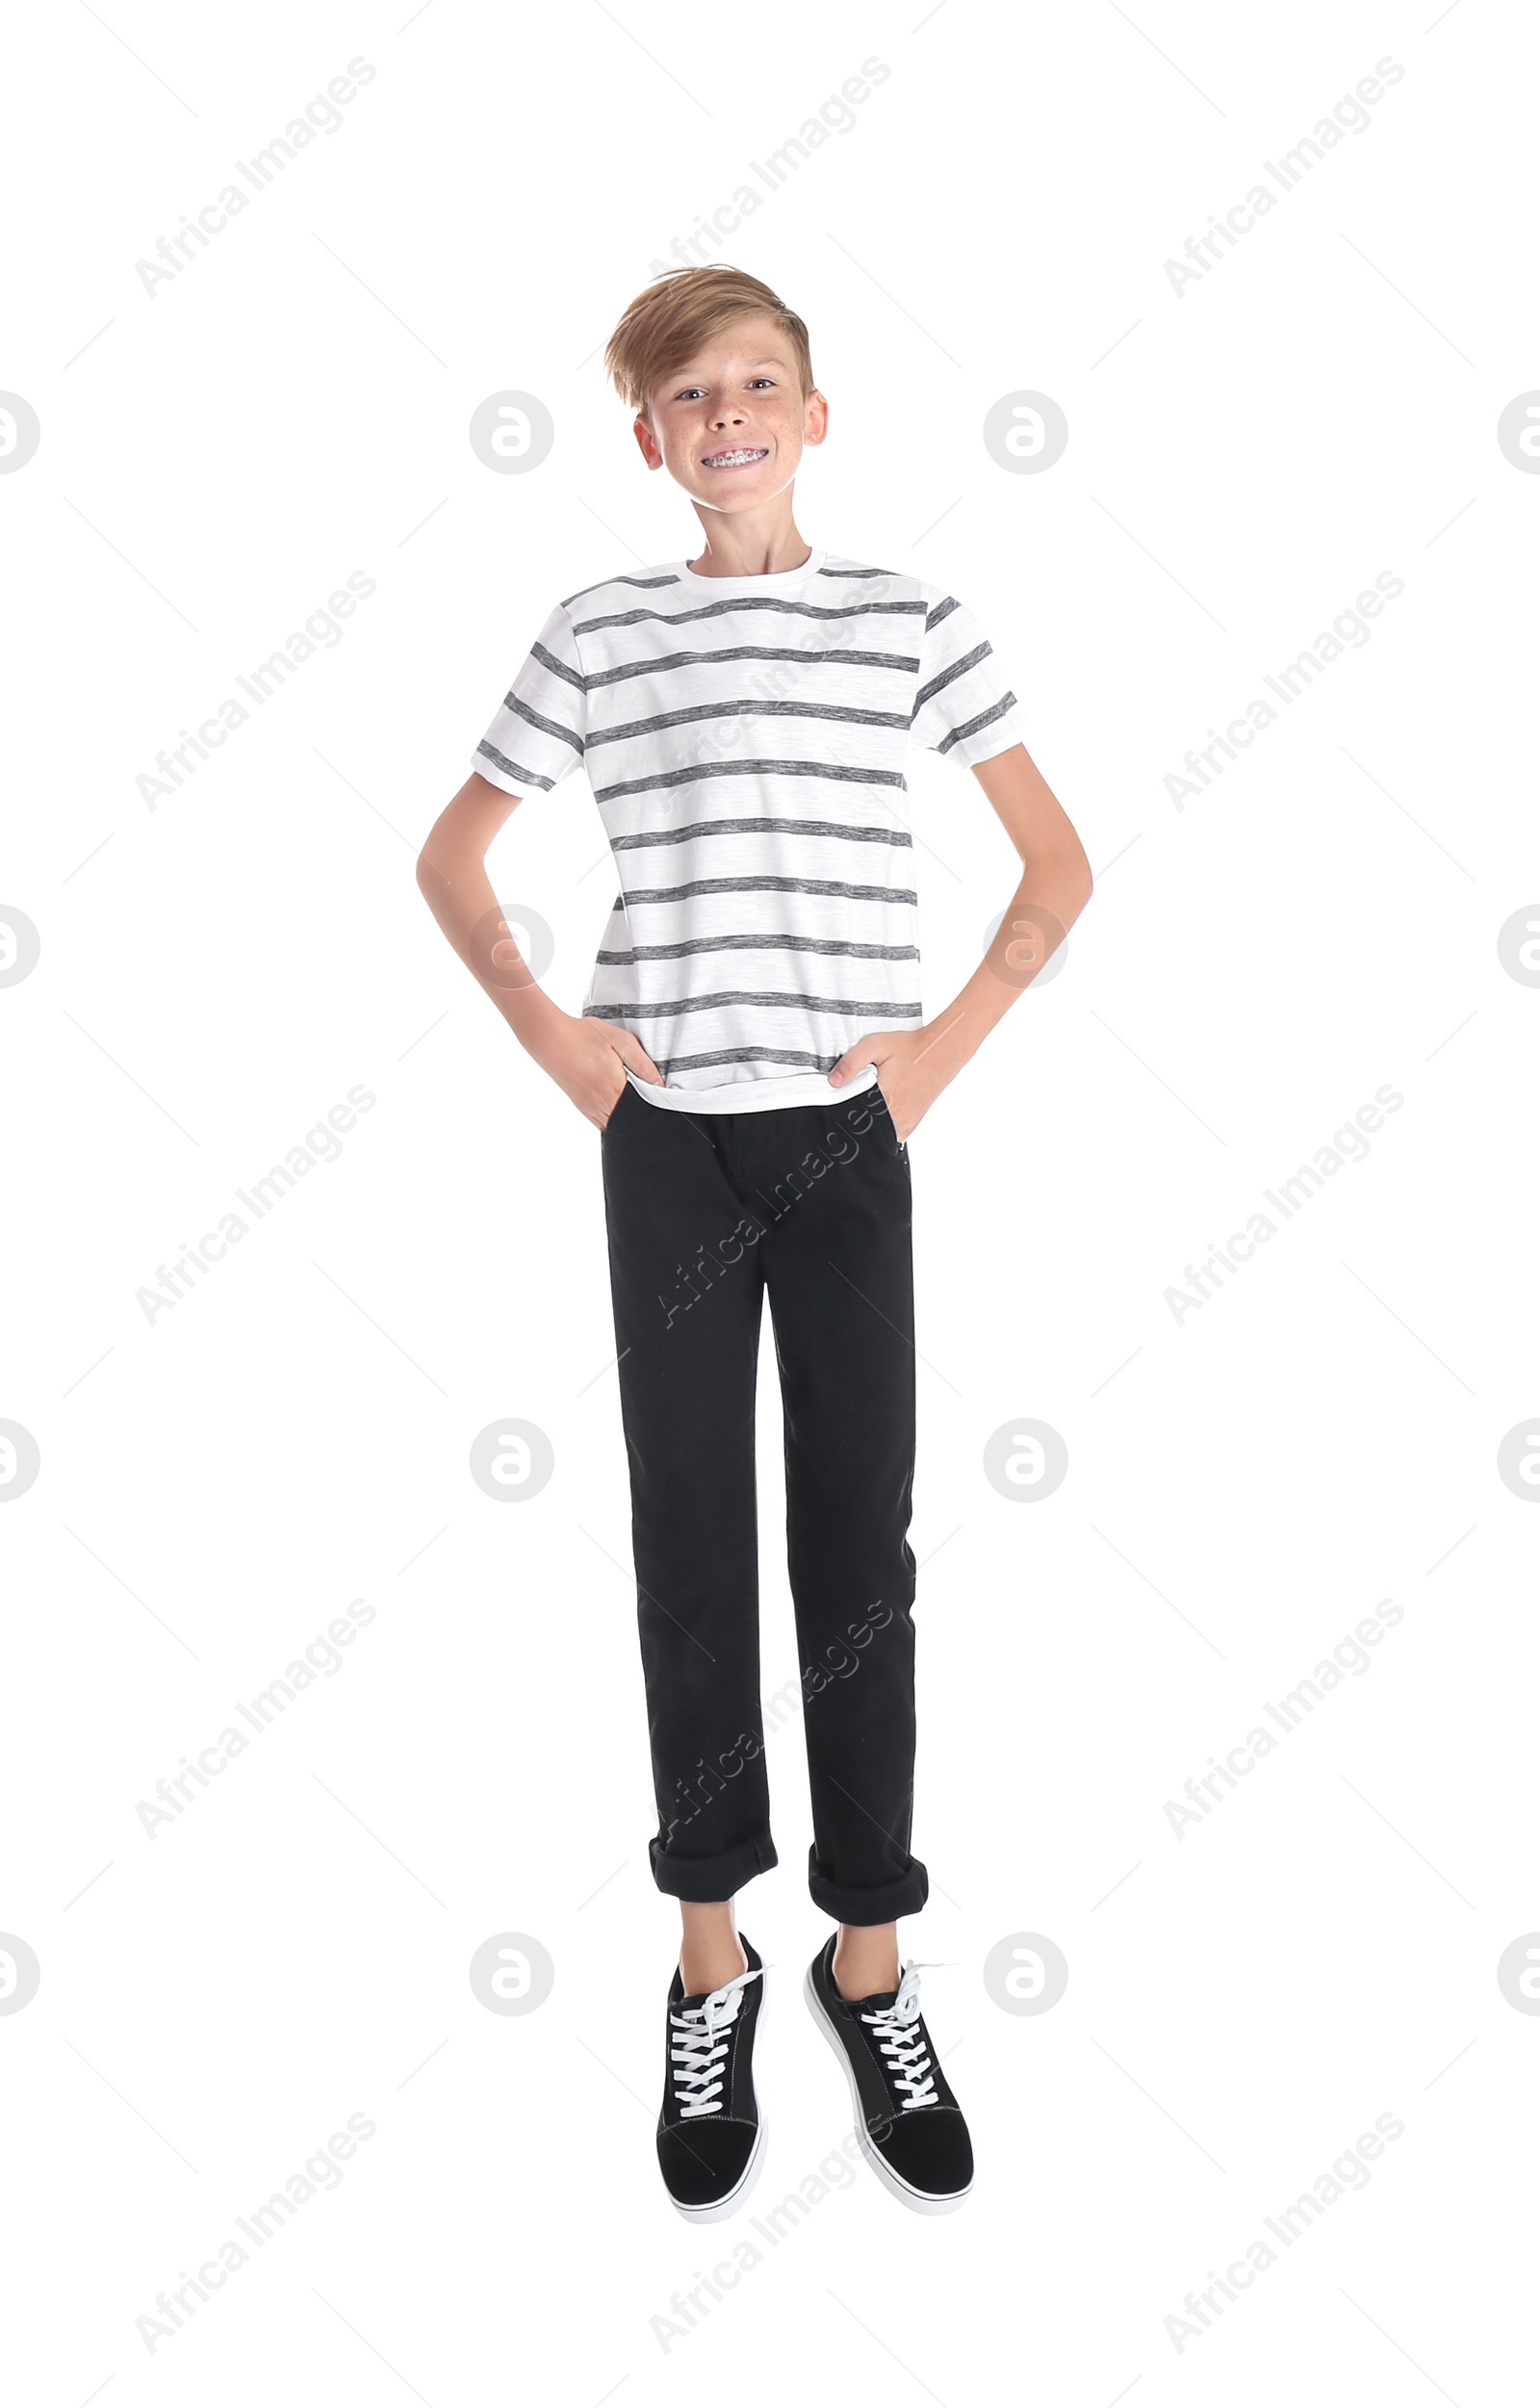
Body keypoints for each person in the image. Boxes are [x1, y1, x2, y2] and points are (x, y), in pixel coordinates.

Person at [416, 264, 1092, 2220]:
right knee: (693, 1548)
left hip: (842, 1139)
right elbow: (451, 853)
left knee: (853, 1550)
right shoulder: (600, 631)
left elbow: (1054, 861)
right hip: (670, 1152)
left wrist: (934, 1061)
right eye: (688, 395)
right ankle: (706, 1955)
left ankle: (865, 1956)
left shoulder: (906, 618)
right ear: (644, 436)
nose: (726, 416)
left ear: (815, 413)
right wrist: (563, 1044)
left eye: (759, 384)